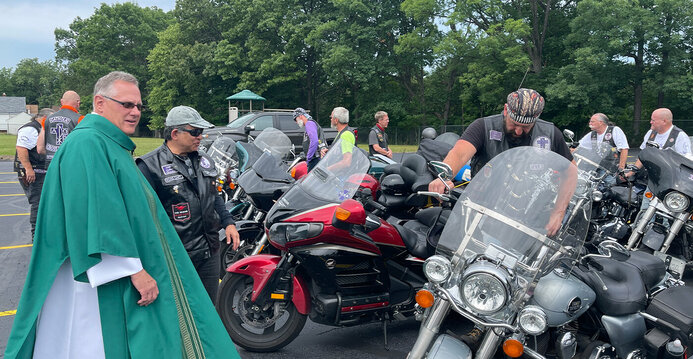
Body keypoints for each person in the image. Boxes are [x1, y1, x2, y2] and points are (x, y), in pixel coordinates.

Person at [4, 71, 239, 359]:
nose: (135, 112)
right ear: (99, 103)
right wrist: (134, 271)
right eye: (126, 104)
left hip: (112, 267)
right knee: (89, 344)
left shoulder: (106, 143)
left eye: (139, 106)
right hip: (93, 280)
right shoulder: (87, 143)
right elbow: (93, 214)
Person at [429, 88, 574, 236]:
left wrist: (558, 213)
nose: (518, 131)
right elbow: (459, 154)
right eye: (514, 124)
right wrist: (444, 178)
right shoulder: (483, 127)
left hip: (526, 222)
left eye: (526, 127)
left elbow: (571, 172)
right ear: (506, 110)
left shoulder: (550, 134)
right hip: (481, 212)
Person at [137, 105, 240, 301]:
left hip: (210, 251)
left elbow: (213, 195)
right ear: (175, 133)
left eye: (201, 132)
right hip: (175, 255)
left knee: (208, 308)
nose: (200, 137)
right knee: (180, 311)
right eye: (195, 132)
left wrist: (228, 223)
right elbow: (142, 217)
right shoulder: (148, 166)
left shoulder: (204, 160)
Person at [13, 108, 54, 237]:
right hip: (33, 172)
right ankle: (36, 235)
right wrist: (28, 169)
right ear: (43, 118)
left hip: (40, 171)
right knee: (37, 201)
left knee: (43, 202)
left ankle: (42, 233)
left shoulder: (40, 129)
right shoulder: (30, 129)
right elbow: (21, 148)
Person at [36, 90, 84, 169]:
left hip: (51, 164)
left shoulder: (47, 119)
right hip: (70, 164)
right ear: (78, 103)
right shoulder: (80, 119)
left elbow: (40, 149)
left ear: (62, 102)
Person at [321, 106, 356, 171]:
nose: (330, 119)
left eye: (331, 117)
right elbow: (339, 150)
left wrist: (327, 169)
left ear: (336, 120)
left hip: (343, 175)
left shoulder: (346, 135)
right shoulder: (342, 132)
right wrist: (328, 150)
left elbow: (346, 161)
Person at [293, 107, 326, 171]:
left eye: (296, 119)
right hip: (316, 158)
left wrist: (308, 158)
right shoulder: (310, 123)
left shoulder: (309, 123)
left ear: (301, 116)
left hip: (315, 159)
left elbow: (314, 141)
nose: (296, 122)